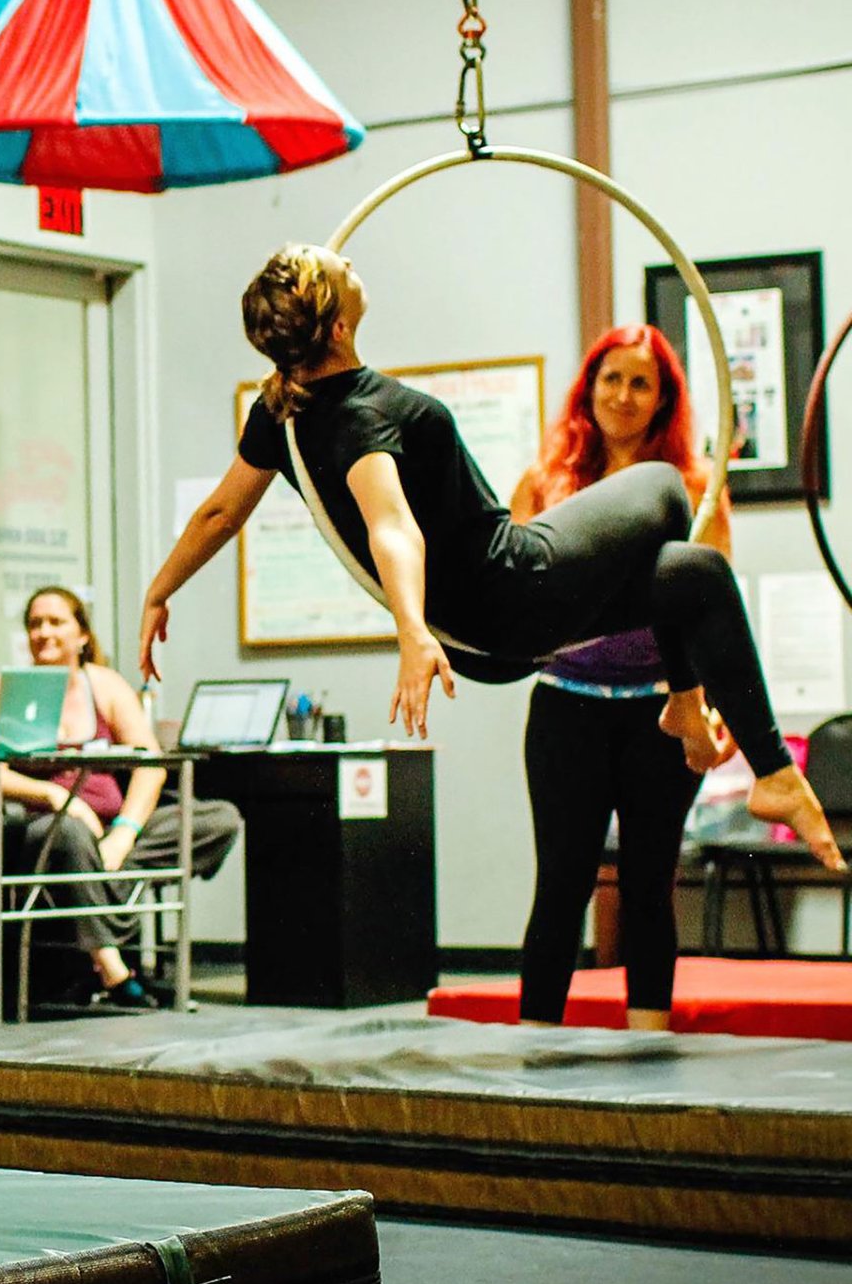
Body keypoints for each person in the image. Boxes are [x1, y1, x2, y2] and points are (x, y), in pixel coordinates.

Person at [139, 242, 842, 880]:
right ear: (339, 326)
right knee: (663, 485)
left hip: (479, 637)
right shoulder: (362, 413)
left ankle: (721, 736)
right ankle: (739, 743)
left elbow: (219, 513)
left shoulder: (281, 414)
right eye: (337, 267)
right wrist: (410, 631)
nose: (350, 260)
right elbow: (392, 527)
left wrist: (158, 590)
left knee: (693, 577)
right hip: (516, 584)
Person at [508, 326, 731, 1029]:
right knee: (562, 883)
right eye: (612, 379)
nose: (624, 396)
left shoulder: (695, 490)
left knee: (648, 884)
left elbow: (713, 610)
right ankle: (534, 1044)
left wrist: (705, 707)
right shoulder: (547, 484)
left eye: (642, 383)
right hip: (566, 706)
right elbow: (515, 597)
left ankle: (650, 1049)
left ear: (664, 399)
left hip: (660, 710)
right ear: (589, 388)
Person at [0, 586, 240, 1008]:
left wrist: (124, 834)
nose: (44, 632)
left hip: (113, 834)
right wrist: (58, 798)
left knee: (217, 818)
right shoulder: (4, 688)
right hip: (47, 830)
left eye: (56, 622)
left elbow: (149, 761)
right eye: (35, 623)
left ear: (82, 635)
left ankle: (100, 882)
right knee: (72, 836)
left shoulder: (105, 685)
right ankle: (115, 972)